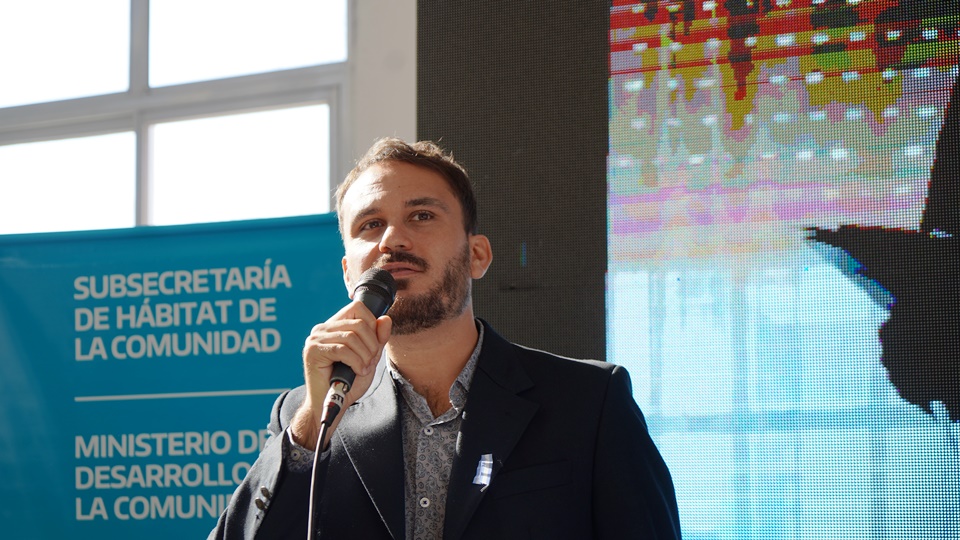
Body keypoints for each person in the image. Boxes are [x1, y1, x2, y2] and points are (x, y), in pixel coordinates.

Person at [209, 138, 681, 539]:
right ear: (349, 272)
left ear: (477, 255)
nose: (392, 240)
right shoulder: (306, 414)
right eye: (370, 225)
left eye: (421, 216)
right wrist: (313, 426)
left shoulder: (591, 402)